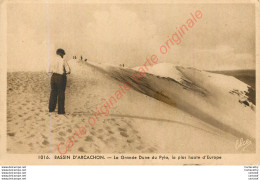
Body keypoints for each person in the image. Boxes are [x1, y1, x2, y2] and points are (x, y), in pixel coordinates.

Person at [48, 48, 71, 115]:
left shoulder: (52, 60)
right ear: (61, 54)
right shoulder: (63, 60)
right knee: (61, 93)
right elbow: (68, 70)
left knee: (53, 92)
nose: (63, 55)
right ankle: (60, 111)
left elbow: (49, 70)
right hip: (61, 78)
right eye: (63, 54)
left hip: (53, 77)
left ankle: (51, 109)